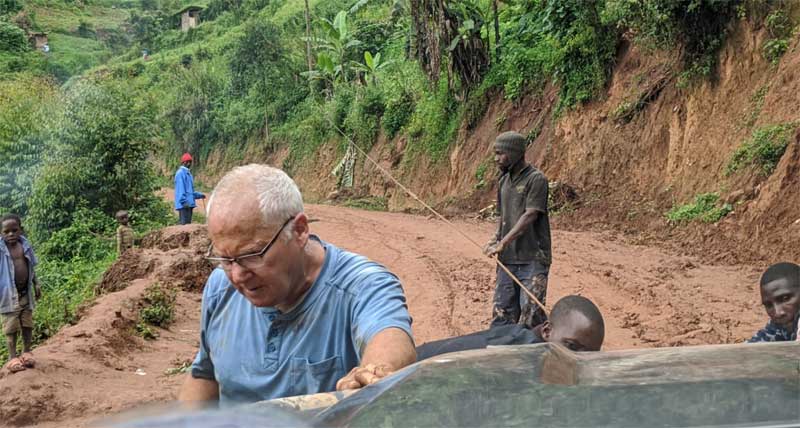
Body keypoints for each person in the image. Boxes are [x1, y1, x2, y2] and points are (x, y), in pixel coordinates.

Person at [179, 164, 416, 405]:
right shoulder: (220, 287)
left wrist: (375, 373)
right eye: (225, 259)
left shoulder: (361, 286)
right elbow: (204, 375)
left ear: (299, 230)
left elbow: (390, 335)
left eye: (251, 255)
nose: (237, 275)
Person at [483, 131, 552, 329]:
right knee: (501, 315)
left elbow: (530, 215)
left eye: (500, 153)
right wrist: (495, 239)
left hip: (533, 260)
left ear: (514, 153)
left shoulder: (536, 180)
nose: (496, 159)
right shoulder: (503, 181)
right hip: (508, 260)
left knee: (531, 318)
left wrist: (503, 243)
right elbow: (504, 217)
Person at [416, 295, 604, 360]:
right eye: (571, 346)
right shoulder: (514, 356)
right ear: (547, 331)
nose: (579, 359)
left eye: (589, 355)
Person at [0, 214, 41, 374]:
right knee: (11, 327)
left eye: (14, 230)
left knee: (27, 323)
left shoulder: (25, 245)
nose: (11, 234)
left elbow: (31, 266)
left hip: (25, 293)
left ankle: (26, 352)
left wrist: (36, 283)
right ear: (2, 233)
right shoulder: (1, 249)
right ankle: (12, 358)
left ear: (20, 230)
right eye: (6, 231)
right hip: (7, 294)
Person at [748, 262, 799, 343]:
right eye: (769, 305)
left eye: (785, 299)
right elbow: (748, 350)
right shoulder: (781, 324)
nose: (777, 313)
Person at [174, 153, 205, 225]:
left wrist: (200, 195)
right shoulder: (180, 173)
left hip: (189, 205)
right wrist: (184, 202)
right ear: (184, 162)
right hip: (184, 205)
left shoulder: (189, 174)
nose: (190, 164)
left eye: (190, 162)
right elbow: (180, 189)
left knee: (188, 226)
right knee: (184, 226)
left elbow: (191, 192)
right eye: (188, 162)